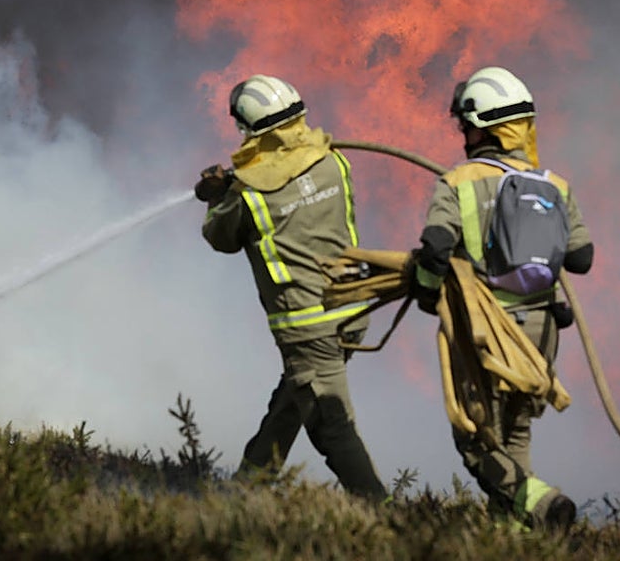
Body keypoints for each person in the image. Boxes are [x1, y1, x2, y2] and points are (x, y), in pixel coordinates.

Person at [409, 66, 594, 531]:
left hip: (486, 334)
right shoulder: (556, 185)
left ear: (480, 126)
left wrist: (428, 294)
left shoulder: (456, 183)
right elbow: (582, 258)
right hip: (542, 332)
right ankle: (513, 538)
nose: (463, 135)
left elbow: (434, 248)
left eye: (466, 126)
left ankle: (544, 504)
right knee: (515, 430)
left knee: (476, 440)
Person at [195, 73, 387, 502]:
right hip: (352, 313)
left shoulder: (248, 195)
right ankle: (248, 489)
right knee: (292, 402)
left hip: (308, 324)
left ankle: (388, 516)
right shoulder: (334, 162)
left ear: (251, 131)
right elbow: (289, 183)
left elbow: (220, 237)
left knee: (329, 426)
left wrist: (215, 195)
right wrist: (233, 185)